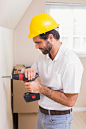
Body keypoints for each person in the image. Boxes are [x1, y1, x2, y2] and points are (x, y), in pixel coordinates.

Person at [24, 14, 83, 129]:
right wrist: (29, 73)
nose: (36, 47)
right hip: (41, 114)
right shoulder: (42, 57)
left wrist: (40, 88)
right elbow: (32, 73)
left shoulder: (70, 62)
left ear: (50, 38)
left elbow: (70, 101)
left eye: (38, 42)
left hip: (59, 120)